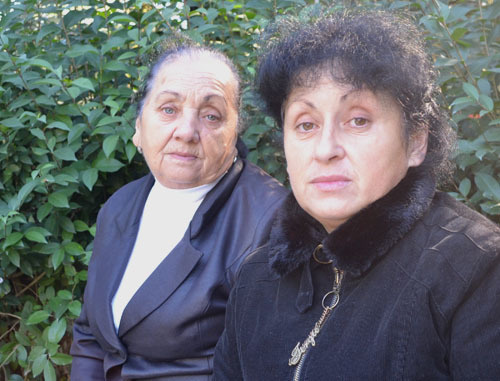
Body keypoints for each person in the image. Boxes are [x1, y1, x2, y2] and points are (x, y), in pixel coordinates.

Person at [214, 11, 500, 380]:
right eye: (306, 124)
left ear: (416, 141)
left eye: (358, 120)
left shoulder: (476, 270)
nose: (325, 148)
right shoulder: (255, 278)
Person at [70, 39, 286, 380]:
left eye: (211, 115)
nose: (186, 131)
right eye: (169, 109)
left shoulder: (271, 221)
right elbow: (91, 335)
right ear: (139, 127)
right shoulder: (120, 207)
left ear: (234, 133)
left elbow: (266, 367)